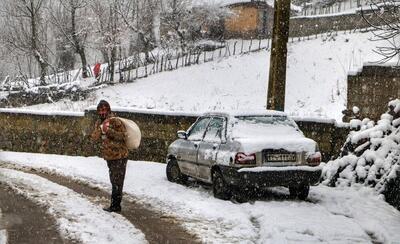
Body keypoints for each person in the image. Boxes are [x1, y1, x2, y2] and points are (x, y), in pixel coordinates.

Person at [91, 100, 128, 213]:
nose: (102, 112)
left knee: (117, 181)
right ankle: (115, 205)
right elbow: (94, 138)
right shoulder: (99, 122)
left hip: (120, 156)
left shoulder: (115, 121)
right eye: (100, 110)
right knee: (114, 181)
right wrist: (100, 130)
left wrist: (109, 130)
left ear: (108, 109)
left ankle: (115, 206)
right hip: (109, 157)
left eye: (104, 109)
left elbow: (123, 136)